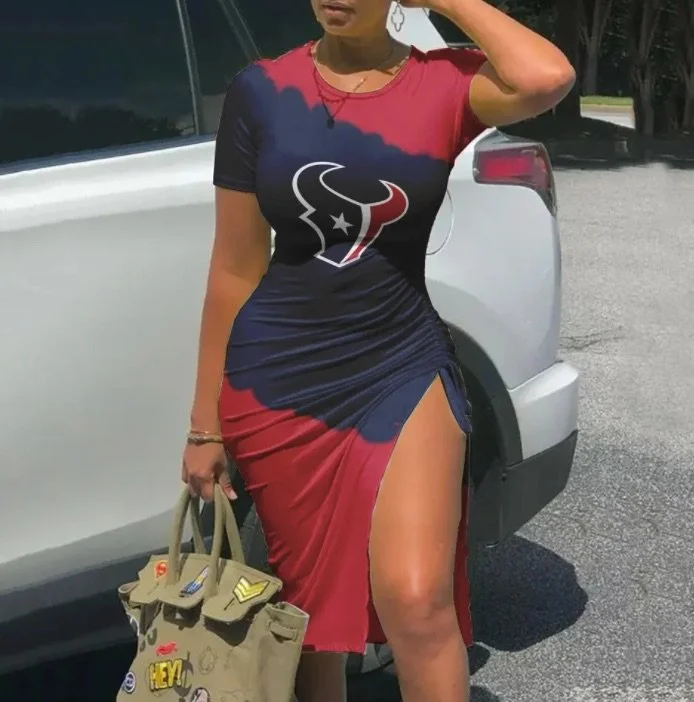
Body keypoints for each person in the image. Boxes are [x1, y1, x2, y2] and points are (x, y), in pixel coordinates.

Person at [181, 0, 575, 700]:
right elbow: (235, 268)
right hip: (279, 384)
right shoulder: (261, 91)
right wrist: (204, 425)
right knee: (306, 622)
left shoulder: (443, 85)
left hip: (401, 366)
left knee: (418, 602)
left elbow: (546, 77)